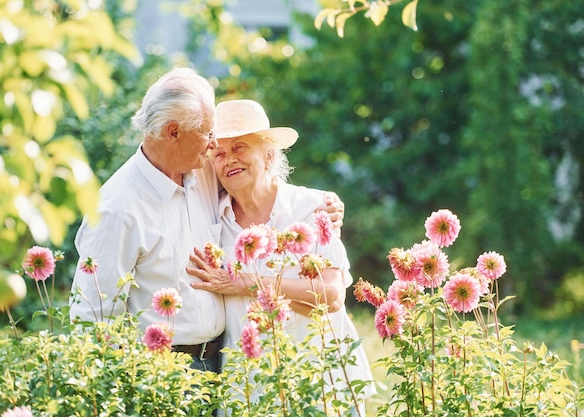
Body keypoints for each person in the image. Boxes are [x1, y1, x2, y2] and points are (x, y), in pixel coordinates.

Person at [69, 68, 345, 374]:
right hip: (161, 371)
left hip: (222, 366)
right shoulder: (118, 208)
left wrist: (326, 202)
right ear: (173, 132)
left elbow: (257, 173)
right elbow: (92, 318)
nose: (215, 146)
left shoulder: (199, 169)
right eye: (208, 133)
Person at [187, 99, 375, 413]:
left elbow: (330, 296)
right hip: (249, 391)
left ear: (269, 155)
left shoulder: (312, 208)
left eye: (241, 148)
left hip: (321, 383)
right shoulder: (213, 223)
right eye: (219, 153)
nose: (229, 159)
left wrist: (247, 284)